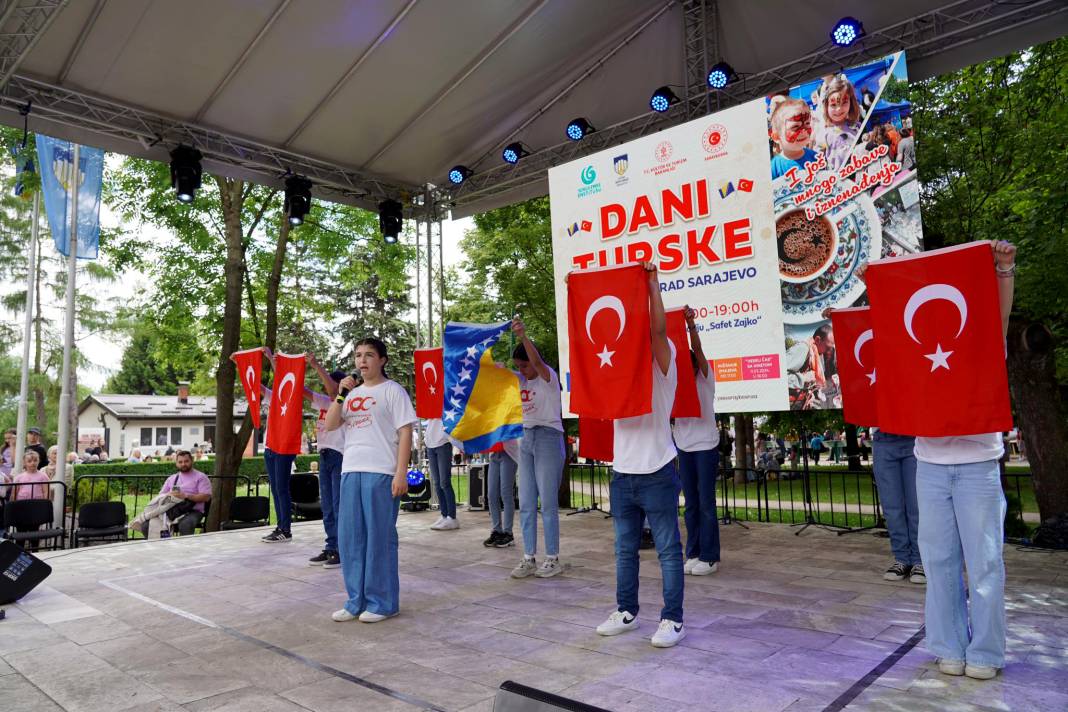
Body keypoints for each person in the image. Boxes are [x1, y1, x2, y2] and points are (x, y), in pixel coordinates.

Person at [915, 240, 1017, 681]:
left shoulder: (982, 339)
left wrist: (1003, 271)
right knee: (937, 560)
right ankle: (947, 644)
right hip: (930, 461)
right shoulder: (914, 348)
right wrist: (876, 292)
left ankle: (986, 651)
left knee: (985, 560)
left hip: (978, 461)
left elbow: (1001, 318)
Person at [596, 262, 686, 649]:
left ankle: (673, 619)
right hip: (622, 474)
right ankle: (626, 611)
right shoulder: (615, 371)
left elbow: (659, 330)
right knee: (624, 549)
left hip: (657, 471)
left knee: (668, 550)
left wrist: (651, 286)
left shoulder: (663, 364)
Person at [325, 337, 416, 623]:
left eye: (369, 355)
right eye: (358, 355)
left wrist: (401, 472)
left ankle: (383, 603)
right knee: (351, 538)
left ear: (382, 360)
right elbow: (330, 425)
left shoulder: (393, 391)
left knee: (379, 538)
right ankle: (356, 601)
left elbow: (405, 433)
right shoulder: (350, 393)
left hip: (381, 471)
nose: (362, 361)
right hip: (351, 469)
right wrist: (341, 395)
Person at [510, 316, 567, 579]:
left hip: (548, 437)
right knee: (527, 501)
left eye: (524, 365)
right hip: (526, 438)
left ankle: (552, 557)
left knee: (548, 501)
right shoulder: (519, 380)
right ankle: (528, 556)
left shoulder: (548, 376)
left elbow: (536, 363)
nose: (523, 370)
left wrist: (523, 336)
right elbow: (490, 373)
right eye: (518, 366)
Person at [672, 306, 721, 577]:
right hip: (684, 447)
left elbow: (699, 351)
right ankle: (693, 552)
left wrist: (691, 326)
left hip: (705, 446)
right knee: (690, 504)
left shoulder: (703, 377)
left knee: (705, 503)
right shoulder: (675, 385)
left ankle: (710, 556)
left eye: (689, 366)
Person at [304, 355, 344, 569]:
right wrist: (282, 367)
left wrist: (315, 365)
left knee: (338, 505)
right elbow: (301, 390)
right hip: (325, 455)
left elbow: (332, 390)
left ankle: (341, 549)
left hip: (339, 455)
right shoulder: (322, 401)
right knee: (327, 505)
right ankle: (331, 546)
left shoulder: (344, 400)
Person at [140, 450, 211, 536]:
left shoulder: (201, 477)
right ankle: (160, 547)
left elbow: (206, 497)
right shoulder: (172, 479)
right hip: (172, 510)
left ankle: (185, 549)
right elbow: (160, 496)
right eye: (180, 462)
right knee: (145, 526)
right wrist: (169, 495)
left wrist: (186, 496)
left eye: (186, 461)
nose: (183, 464)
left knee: (185, 525)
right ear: (176, 463)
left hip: (193, 511)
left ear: (192, 461)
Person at [818, 74, 863, 170]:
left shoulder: (857, 127)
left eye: (844, 102)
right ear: (826, 106)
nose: (838, 109)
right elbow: (819, 160)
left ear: (851, 102)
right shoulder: (823, 132)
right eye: (833, 105)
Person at [769, 97, 819, 181]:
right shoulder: (773, 168)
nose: (804, 130)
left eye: (807, 123)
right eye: (795, 126)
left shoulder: (816, 157)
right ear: (777, 137)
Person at [424, 417, 459, 531]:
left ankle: (452, 517)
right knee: (437, 483)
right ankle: (444, 515)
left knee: (444, 482)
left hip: (443, 442)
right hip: (430, 444)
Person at [485, 438, 519, 548]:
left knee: (506, 493)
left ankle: (508, 533)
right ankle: (497, 531)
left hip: (509, 452)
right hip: (494, 452)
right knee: (492, 494)